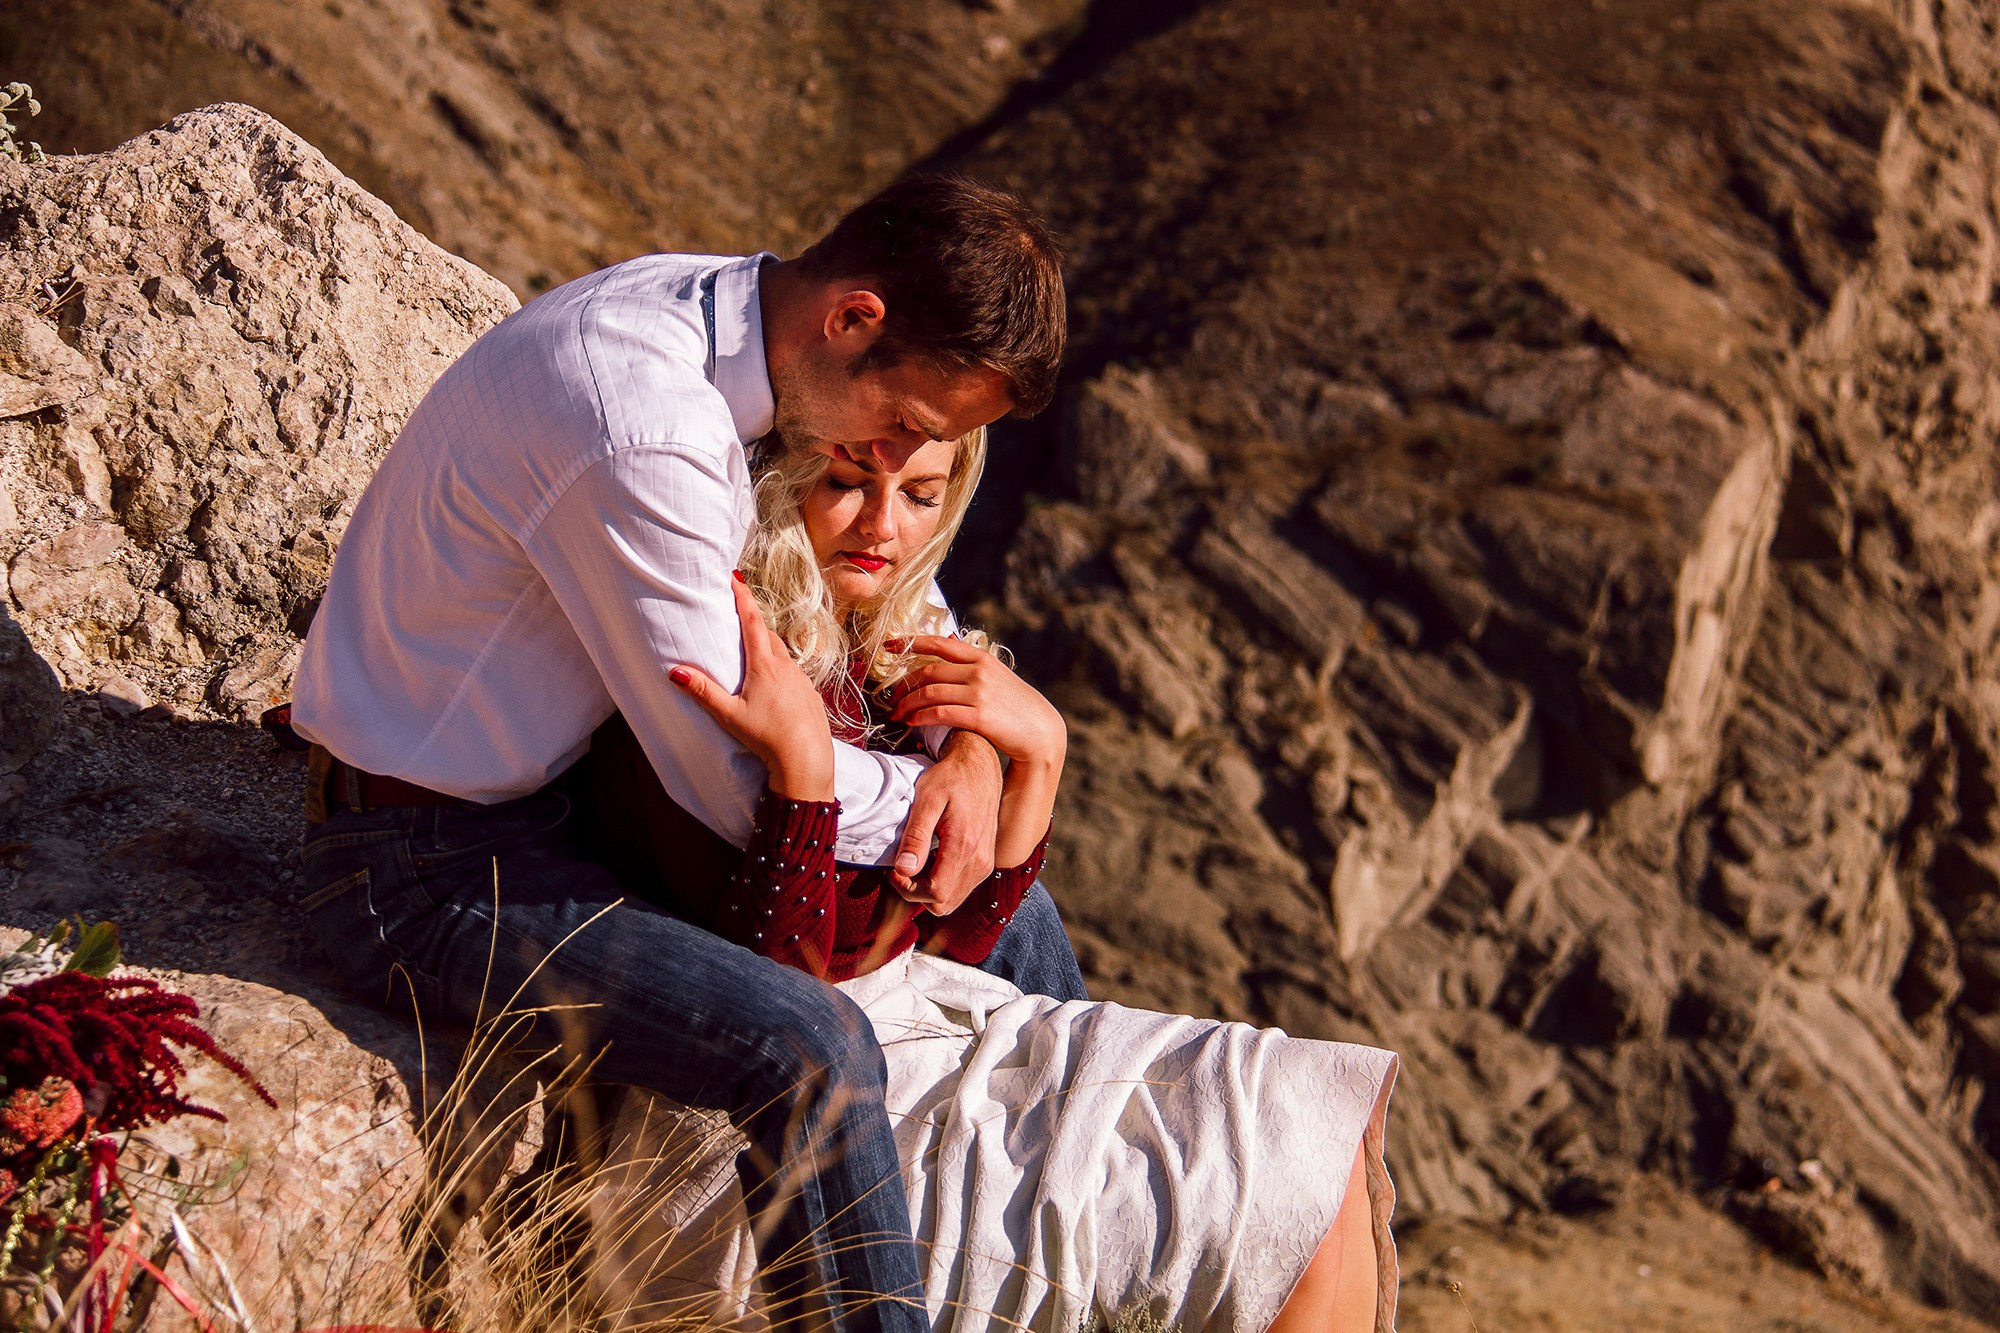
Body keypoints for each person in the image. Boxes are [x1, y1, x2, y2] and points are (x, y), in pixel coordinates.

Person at [287, 175, 1076, 1333]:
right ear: (851, 319)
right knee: (808, 1050)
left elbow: (913, 599)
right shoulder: (641, 425)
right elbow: (737, 775)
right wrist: (934, 798)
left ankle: (1072, 1262)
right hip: (422, 869)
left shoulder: (731, 326)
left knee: (1031, 918)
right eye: (906, 419)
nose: (902, 455)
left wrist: (969, 745)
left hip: (560, 808)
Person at [614, 426, 1399, 1332]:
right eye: (845, 481)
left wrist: (1028, 763)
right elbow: (771, 996)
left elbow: (947, 944)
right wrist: (805, 777)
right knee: (1273, 1189)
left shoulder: (877, 627)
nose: (883, 525)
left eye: (919, 494)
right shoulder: (724, 635)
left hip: (916, 1040)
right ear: (784, 473)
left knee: (1311, 1135)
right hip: (775, 1128)